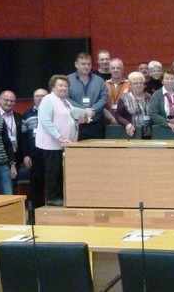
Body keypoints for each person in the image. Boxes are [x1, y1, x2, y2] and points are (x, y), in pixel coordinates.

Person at [36, 75, 91, 206]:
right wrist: (59, 137)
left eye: (66, 86)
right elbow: (45, 121)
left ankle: (60, 197)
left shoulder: (65, 101)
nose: (63, 88)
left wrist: (86, 115)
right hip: (51, 144)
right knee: (53, 172)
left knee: (60, 173)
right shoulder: (48, 100)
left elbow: (74, 115)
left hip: (64, 145)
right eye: (60, 85)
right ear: (53, 87)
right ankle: (51, 198)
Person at [68, 52, 109, 140]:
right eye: (83, 64)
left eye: (88, 64)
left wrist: (93, 110)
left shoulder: (99, 80)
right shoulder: (67, 80)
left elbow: (104, 98)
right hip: (76, 124)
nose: (86, 67)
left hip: (96, 124)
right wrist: (83, 111)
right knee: (77, 153)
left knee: (97, 153)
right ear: (76, 64)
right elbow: (66, 99)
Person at [21, 88, 48, 208]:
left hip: (50, 154)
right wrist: (25, 155)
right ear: (34, 98)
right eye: (37, 96)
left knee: (53, 184)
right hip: (34, 156)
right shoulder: (27, 114)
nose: (40, 98)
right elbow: (23, 137)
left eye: (43, 95)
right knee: (35, 186)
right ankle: (34, 215)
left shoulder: (54, 112)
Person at [114, 72, 152, 138]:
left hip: (149, 133)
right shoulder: (124, 98)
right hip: (132, 133)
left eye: (141, 83)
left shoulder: (150, 96)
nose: (139, 85)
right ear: (130, 85)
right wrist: (127, 124)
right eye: (135, 83)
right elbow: (118, 116)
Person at [0, 91, 23, 178]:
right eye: (6, 100)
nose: (9, 103)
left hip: (15, 156)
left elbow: (22, 138)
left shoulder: (19, 117)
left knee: (12, 186)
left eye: (12, 101)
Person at [105, 58, 130, 124]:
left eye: (118, 68)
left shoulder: (129, 84)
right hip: (107, 121)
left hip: (125, 122)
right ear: (109, 70)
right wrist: (110, 118)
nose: (115, 70)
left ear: (122, 70)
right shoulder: (104, 85)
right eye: (113, 68)